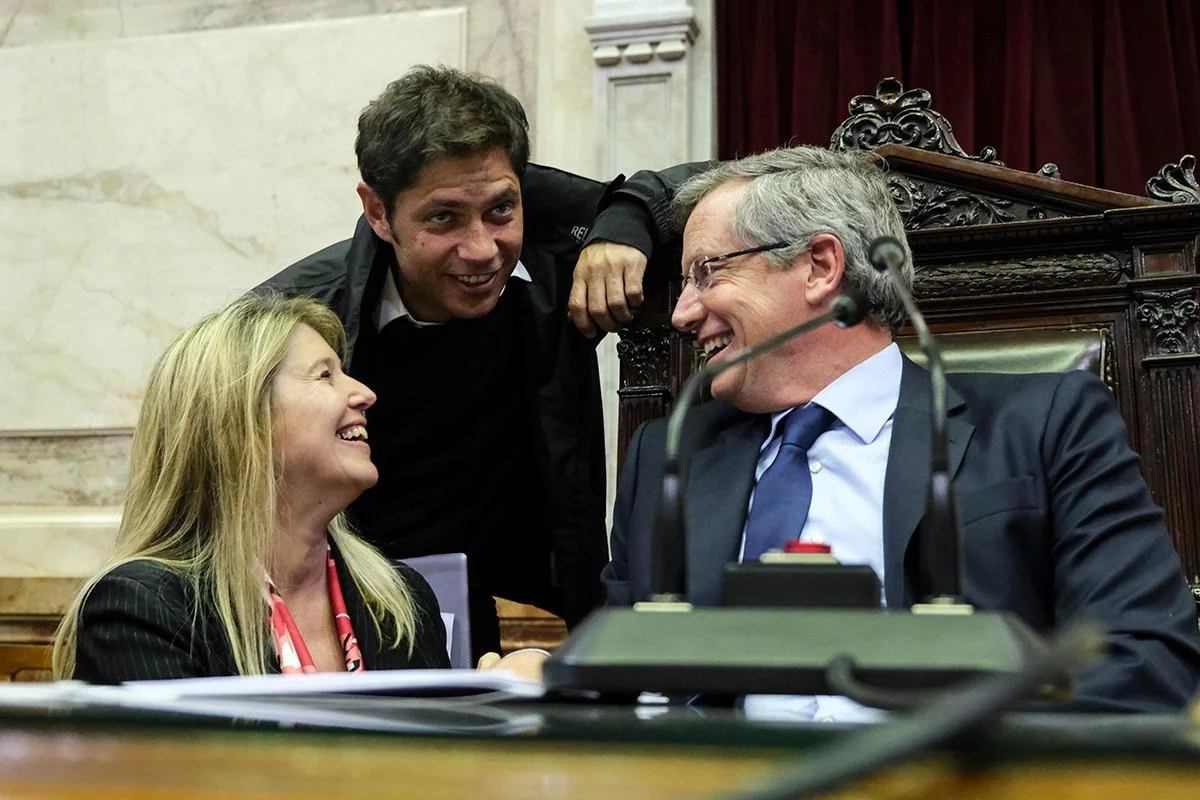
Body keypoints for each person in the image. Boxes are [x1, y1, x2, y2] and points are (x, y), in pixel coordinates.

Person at [601, 145, 1200, 714]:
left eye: (706, 273)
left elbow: (1145, 658)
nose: (681, 313)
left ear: (819, 266)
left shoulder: (1044, 424)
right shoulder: (666, 456)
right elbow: (620, 674)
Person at [259, 65, 696, 659]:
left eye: (500, 211)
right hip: (339, 611)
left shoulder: (551, 263)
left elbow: (736, 190)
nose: (481, 250)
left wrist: (625, 221)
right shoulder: (292, 319)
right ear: (378, 211)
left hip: (486, 604)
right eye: (442, 218)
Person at [53, 294, 539, 683]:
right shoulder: (143, 609)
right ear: (242, 423)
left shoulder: (401, 601)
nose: (364, 393)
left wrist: (494, 716)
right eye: (325, 375)